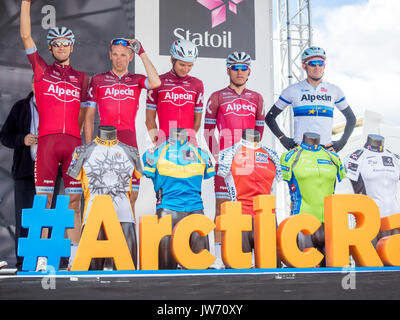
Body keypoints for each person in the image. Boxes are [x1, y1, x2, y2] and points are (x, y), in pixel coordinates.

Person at [20, 0, 89, 269]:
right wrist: (25, 3)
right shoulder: (41, 69)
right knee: (44, 200)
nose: (61, 47)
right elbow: (26, 34)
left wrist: (83, 142)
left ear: (72, 46)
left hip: (73, 144)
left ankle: (74, 257)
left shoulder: (82, 78)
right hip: (48, 143)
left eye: (65, 43)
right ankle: (40, 256)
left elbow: (85, 115)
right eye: (56, 43)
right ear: (50, 47)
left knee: (74, 200)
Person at [84, 37, 160, 220]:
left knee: (131, 195)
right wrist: (88, 148)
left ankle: (128, 244)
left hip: (128, 139)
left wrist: (142, 52)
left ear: (130, 57)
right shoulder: (98, 80)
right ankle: (103, 242)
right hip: (104, 142)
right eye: (116, 54)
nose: (119, 59)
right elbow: (89, 117)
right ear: (110, 55)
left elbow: (156, 82)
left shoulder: (136, 80)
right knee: (102, 197)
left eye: (124, 55)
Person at [203, 51, 265, 269]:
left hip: (248, 162)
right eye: (235, 68)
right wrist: (220, 158)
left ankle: (251, 254)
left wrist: (253, 156)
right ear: (228, 70)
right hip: (226, 161)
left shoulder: (256, 98)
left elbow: (259, 131)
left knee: (249, 208)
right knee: (222, 207)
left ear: (249, 71)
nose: (239, 72)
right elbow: (208, 130)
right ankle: (219, 257)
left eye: (243, 68)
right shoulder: (217, 96)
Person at [67, 126, 142, 270]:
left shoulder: (132, 152)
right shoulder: (82, 151)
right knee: (91, 278)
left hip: (124, 218)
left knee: (128, 278)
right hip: (93, 219)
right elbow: (73, 174)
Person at [142, 128, 215, 269]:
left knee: (200, 271)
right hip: (169, 212)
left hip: (195, 214)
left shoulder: (202, 154)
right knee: (166, 271)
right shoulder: (154, 153)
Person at [265, 46, 356, 153]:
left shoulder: (334, 90)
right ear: (304, 66)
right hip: (300, 149)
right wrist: (283, 139)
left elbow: (351, 118)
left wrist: (341, 143)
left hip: (325, 150)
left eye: (320, 63)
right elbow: (270, 117)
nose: (317, 67)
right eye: (312, 64)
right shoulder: (292, 90)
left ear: (324, 65)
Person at [217, 129, 282, 268]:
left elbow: (279, 179)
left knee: (272, 274)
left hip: (267, 219)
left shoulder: (273, 154)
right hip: (239, 218)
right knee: (238, 275)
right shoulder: (228, 153)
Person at [280, 132, 346, 267]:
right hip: (302, 223)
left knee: (333, 277)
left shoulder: (333, 157)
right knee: (305, 277)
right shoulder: (289, 156)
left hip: (329, 223)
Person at [0, 76, 38, 271]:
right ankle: (24, 263)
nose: (40, 84)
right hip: (25, 171)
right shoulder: (20, 107)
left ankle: (49, 259)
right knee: (24, 218)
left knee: (48, 217)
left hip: (50, 172)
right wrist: (22, 140)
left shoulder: (57, 107)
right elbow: (4, 136)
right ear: (31, 83)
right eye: (36, 81)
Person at [344, 134, 400, 249]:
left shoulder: (395, 158)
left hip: (395, 220)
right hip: (369, 221)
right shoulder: (355, 157)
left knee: (395, 265)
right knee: (372, 266)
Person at [145, 39, 204, 145]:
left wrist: (189, 141)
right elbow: (149, 119)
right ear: (172, 59)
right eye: (182, 64)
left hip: (188, 143)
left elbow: (197, 121)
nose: (185, 69)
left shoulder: (197, 84)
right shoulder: (157, 82)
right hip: (164, 142)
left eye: (190, 65)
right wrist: (157, 142)